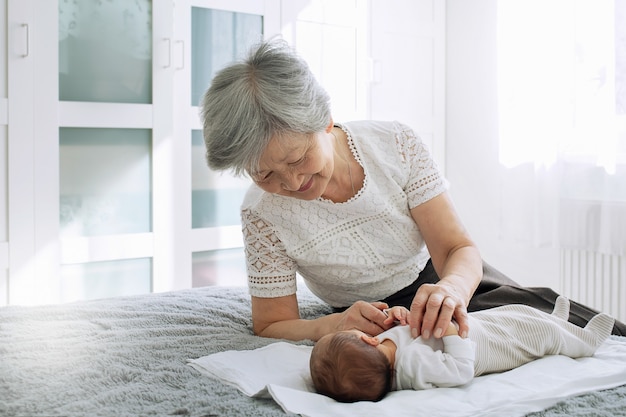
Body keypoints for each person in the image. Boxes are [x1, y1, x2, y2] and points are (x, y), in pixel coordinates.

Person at [200, 37, 626, 342]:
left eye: (296, 160)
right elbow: (272, 323)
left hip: (445, 285)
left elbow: (458, 249)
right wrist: (331, 326)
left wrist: (451, 291)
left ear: (324, 120)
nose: (289, 183)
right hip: (365, 320)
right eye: (264, 175)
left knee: (572, 325)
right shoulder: (261, 212)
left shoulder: (394, 145)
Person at [309, 297, 615, 402]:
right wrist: (452, 332)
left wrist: (400, 316)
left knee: (520, 311)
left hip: (478, 328)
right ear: (366, 340)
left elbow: (410, 332)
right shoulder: (412, 367)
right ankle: (584, 342)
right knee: (538, 336)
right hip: (489, 348)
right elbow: (460, 369)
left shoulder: (388, 346)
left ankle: (555, 320)